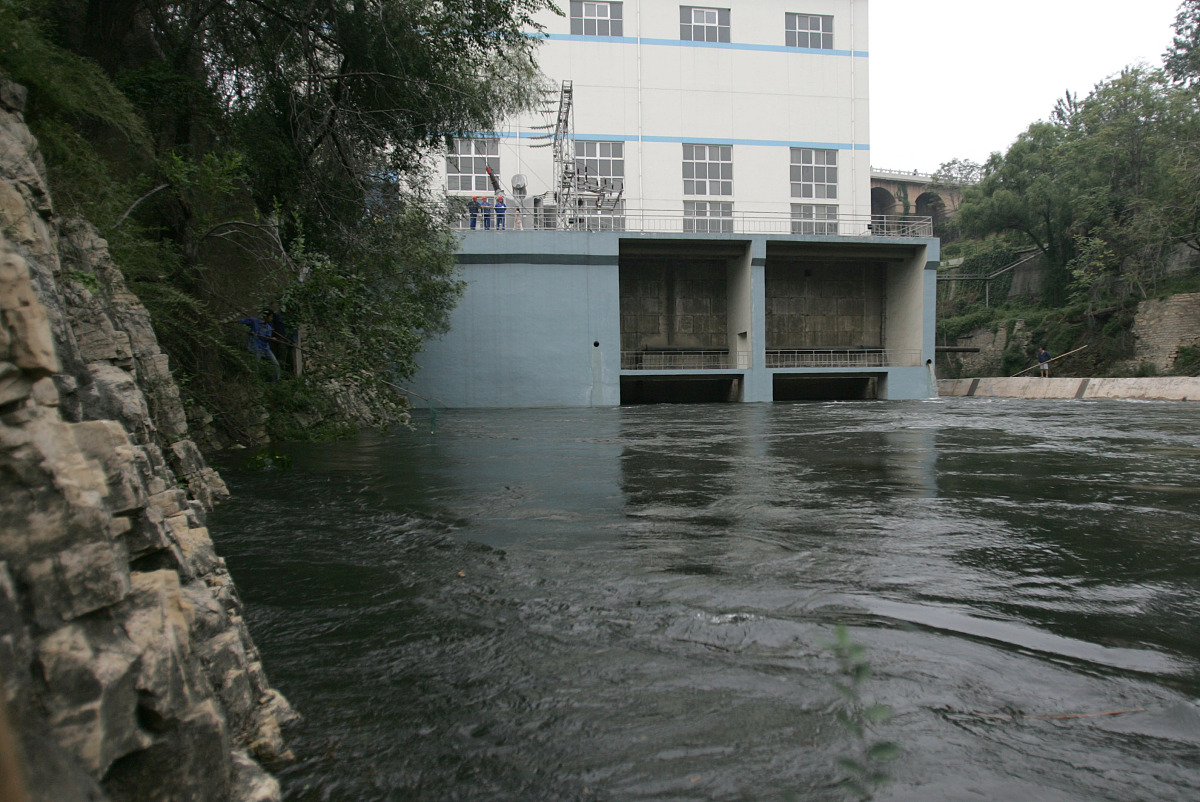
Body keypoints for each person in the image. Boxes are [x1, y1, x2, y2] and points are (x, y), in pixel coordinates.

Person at [238, 311, 281, 382]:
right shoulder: (254, 321)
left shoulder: (268, 327)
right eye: (270, 317)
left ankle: (275, 382)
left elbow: (266, 339)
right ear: (265, 317)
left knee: (275, 364)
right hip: (255, 347)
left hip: (265, 348)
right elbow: (241, 321)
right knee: (255, 366)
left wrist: (271, 339)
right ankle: (254, 382)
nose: (271, 319)